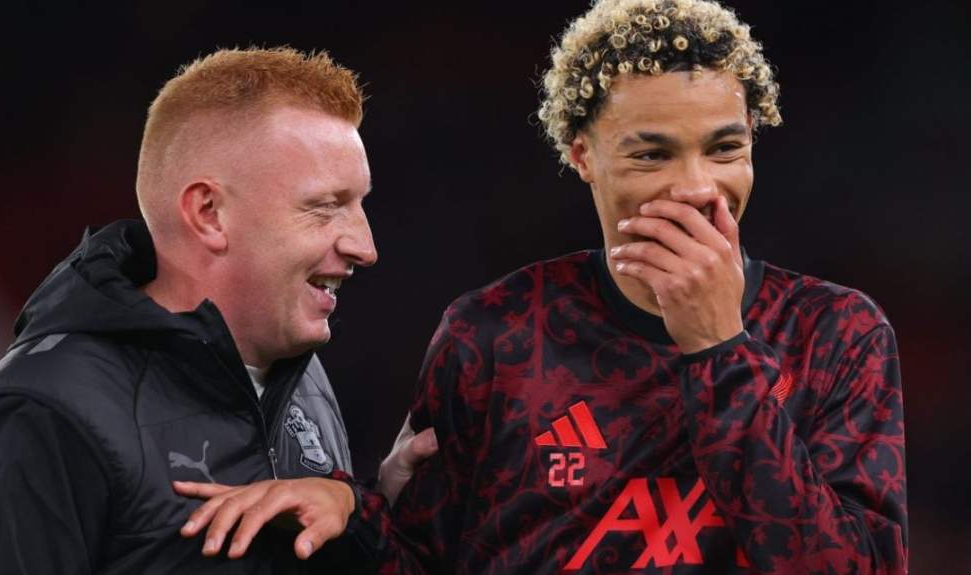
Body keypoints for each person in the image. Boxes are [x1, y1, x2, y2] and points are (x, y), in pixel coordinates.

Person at [375, 0, 908, 573]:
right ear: (583, 156)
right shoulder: (492, 333)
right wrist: (365, 512)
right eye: (653, 155)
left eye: (724, 149)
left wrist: (719, 349)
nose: (697, 187)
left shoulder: (837, 334)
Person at [0, 47, 434, 574]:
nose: (365, 247)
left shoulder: (301, 376)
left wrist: (371, 513)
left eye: (360, 204)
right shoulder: (40, 411)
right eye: (324, 207)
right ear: (209, 214)